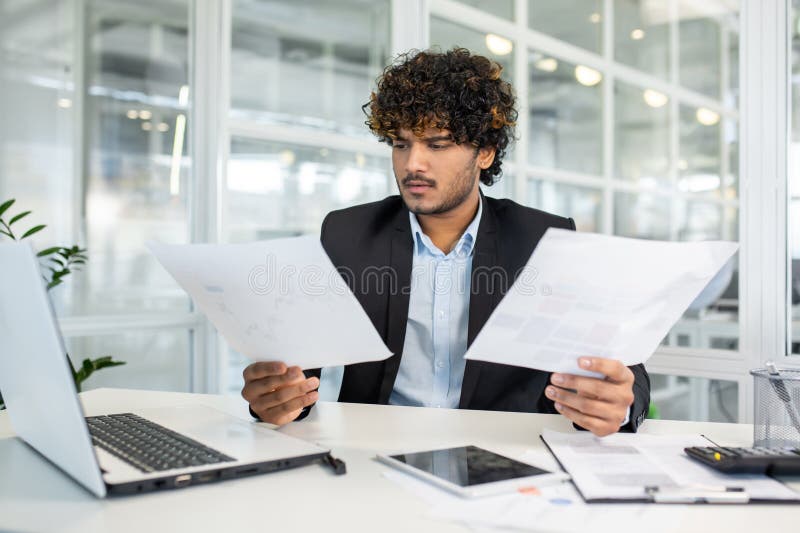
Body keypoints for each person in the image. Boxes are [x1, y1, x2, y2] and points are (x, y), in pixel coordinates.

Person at [242, 48, 650, 436]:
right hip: (376, 456)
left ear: (485, 152)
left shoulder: (542, 239)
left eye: (437, 144)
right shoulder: (348, 233)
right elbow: (294, 375)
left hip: (502, 459)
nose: (412, 163)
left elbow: (623, 367)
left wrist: (620, 403)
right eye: (400, 144)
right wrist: (274, 399)